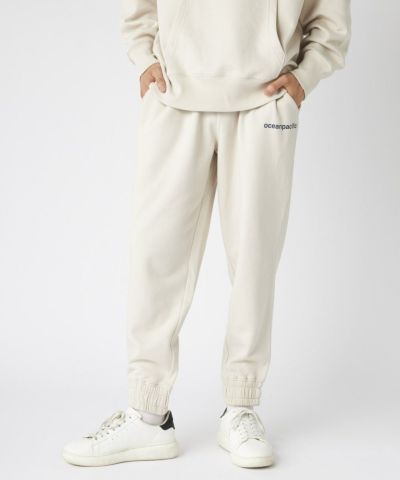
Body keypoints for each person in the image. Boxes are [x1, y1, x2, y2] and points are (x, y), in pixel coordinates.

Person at [63, 0, 351, 469]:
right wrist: (144, 57)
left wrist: (306, 75)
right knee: (156, 254)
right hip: (173, 93)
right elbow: (139, 8)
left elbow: (329, 17)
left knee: (255, 258)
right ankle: (147, 414)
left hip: (266, 99)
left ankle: (241, 407)